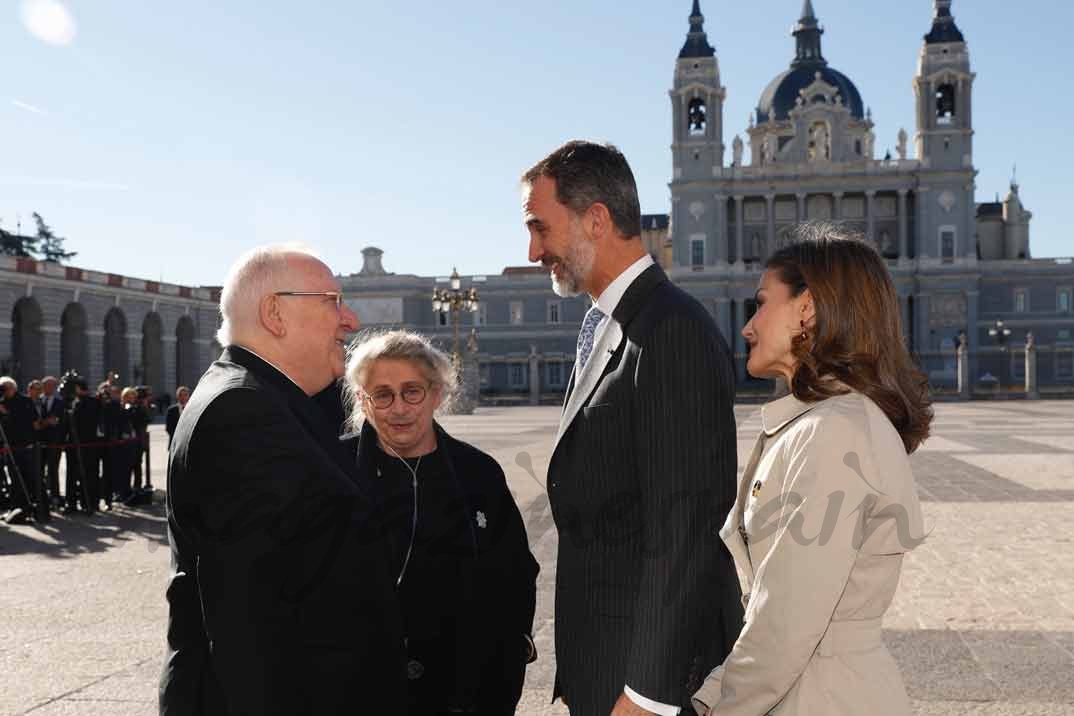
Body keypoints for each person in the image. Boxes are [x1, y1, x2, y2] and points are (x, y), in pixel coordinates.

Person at [521, 141, 742, 716]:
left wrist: (648, 692)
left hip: (642, 685)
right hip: (605, 665)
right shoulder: (613, 324)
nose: (532, 250)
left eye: (540, 228)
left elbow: (687, 526)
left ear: (596, 218)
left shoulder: (671, 331)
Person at [690, 225, 931, 716]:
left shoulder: (832, 434)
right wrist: (711, 695)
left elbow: (787, 621)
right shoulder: (825, 425)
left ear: (807, 308)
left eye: (761, 303)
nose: (747, 325)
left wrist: (718, 706)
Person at [159, 244, 406, 715]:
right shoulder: (241, 414)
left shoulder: (268, 398)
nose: (350, 319)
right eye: (332, 301)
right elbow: (249, 627)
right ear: (275, 313)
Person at [343, 330, 539, 715]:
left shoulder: (478, 472)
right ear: (364, 403)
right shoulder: (332, 472)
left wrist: (510, 661)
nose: (399, 408)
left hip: (464, 697)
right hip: (359, 696)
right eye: (382, 395)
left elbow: (514, 575)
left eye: (412, 391)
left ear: (437, 394)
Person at [0, 377, 40, 522]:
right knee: (14, 478)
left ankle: (28, 508)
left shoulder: (25, 401)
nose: (3, 392)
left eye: (5, 388)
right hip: (9, 447)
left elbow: (32, 423)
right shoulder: (3, 402)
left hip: (24, 446)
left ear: (13, 388)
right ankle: (14, 507)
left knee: (27, 478)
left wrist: (7, 414)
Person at [65, 378, 101, 514]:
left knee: (90, 474)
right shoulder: (73, 402)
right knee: (72, 475)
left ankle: (90, 502)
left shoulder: (91, 402)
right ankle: (73, 502)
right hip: (74, 445)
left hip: (87, 444)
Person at [40, 376, 67, 507]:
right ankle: (41, 495)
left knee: (52, 469)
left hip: (54, 442)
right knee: (39, 469)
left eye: (50, 386)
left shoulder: (60, 402)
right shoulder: (38, 401)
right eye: (45, 386)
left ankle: (55, 495)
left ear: (55, 387)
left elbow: (61, 423)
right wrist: (46, 422)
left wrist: (62, 442)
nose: (47, 388)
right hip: (40, 441)